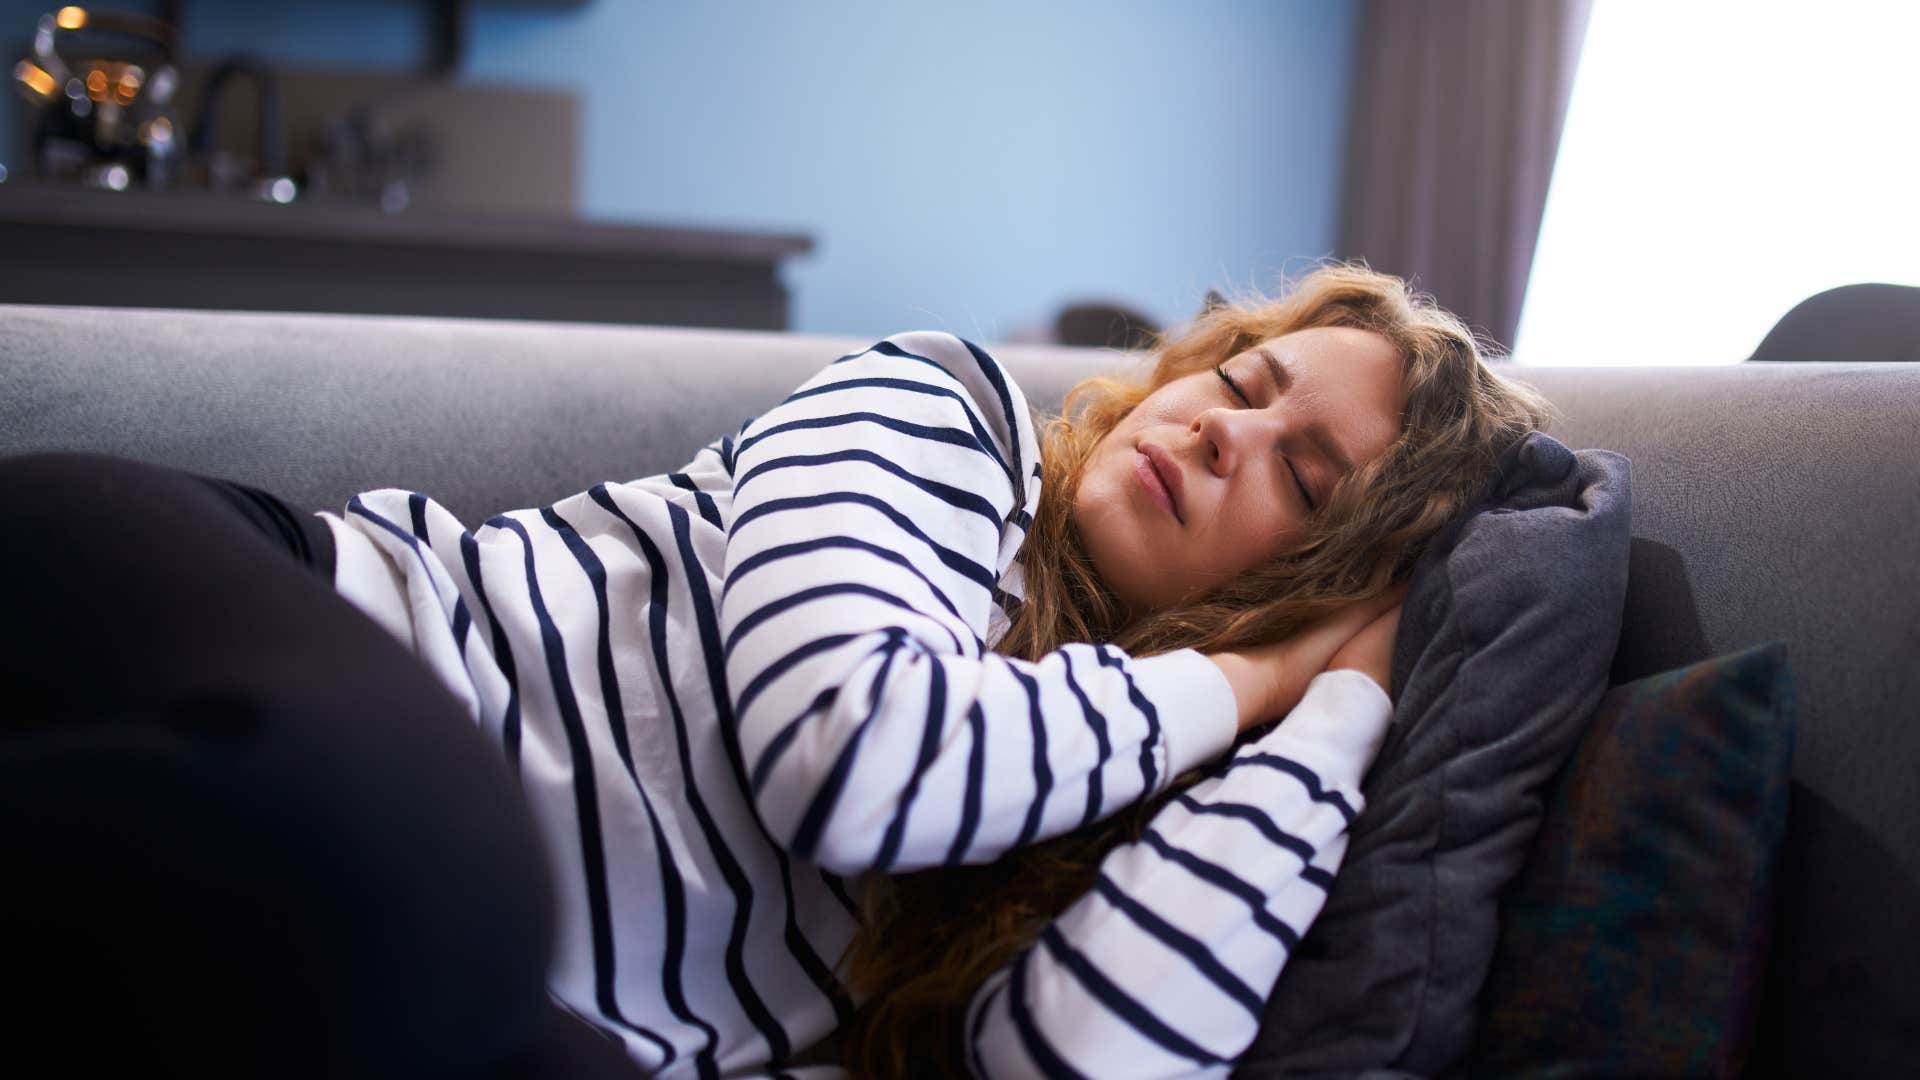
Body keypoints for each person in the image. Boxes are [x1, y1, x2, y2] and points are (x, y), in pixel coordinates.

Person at [0, 264, 1549, 1079]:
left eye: (1307, 477)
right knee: (439, 879)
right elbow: (857, 756)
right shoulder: (948, 422)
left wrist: (1335, 719)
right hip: (266, 630)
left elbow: (1083, 1059)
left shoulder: (1112, 789)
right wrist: (1259, 679)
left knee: (466, 980)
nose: (1222, 423)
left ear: (1337, 584)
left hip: (423, 965)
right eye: (1243, 377)